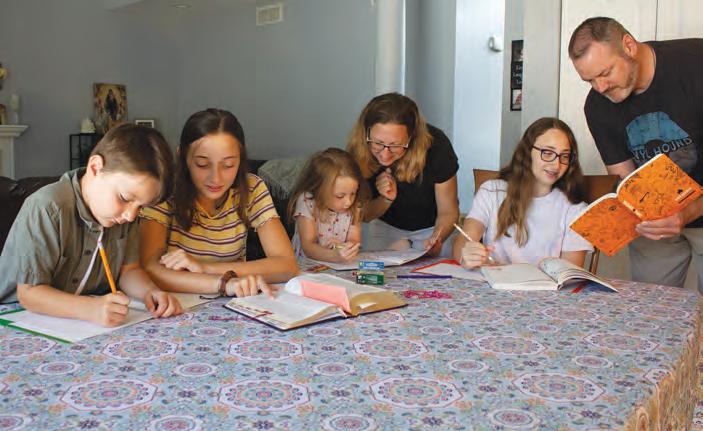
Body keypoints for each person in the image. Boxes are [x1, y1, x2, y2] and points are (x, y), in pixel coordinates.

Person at [0, 124, 183, 327]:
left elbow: (129, 270)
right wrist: (90, 309)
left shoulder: (123, 216)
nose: (131, 215)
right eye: (124, 198)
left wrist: (150, 292)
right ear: (95, 168)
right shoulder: (48, 207)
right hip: (17, 318)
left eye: (141, 207)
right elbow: (29, 294)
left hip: (80, 323)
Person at [568, 17, 703, 291]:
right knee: (650, 304)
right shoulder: (597, 105)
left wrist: (688, 212)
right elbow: (625, 181)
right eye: (589, 80)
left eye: (605, 73)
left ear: (629, 45)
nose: (600, 88)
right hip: (655, 222)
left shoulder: (695, 64)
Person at [140, 108, 298, 298]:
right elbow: (149, 268)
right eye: (202, 164)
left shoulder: (251, 188)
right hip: (177, 301)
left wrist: (204, 268)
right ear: (182, 156)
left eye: (228, 165)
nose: (216, 178)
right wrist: (223, 283)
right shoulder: (164, 190)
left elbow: (287, 265)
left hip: (233, 300)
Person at [453, 117, 592, 268]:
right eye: (547, 153)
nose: (556, 165)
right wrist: (465, 254)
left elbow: (569, 272)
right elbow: (463, 241)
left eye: (564, 156)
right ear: (527, 152)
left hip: (546, 284)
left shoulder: (576, 210)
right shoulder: (492, 192)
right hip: (491, 281)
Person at [347, 92, 459, 257]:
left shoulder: (436, 146)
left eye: (396, 145)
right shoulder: (359, 150)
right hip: (384, 227)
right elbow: (365, 215)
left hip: (433, 227)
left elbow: (448, 211)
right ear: (366, 133)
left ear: (412, 137)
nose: (385, 154)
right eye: (378, 143)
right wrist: (385, 199)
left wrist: (436, 239)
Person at [288, 148, 369, 263]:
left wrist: (346, 247)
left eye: (353, 193)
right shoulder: (307, 201)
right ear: (320, 190)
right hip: (305, 266)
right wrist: (334, 255)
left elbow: (354, 240)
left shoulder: (354, 205)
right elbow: (308, 247)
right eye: (340, 196)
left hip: (338, 266)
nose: (348, 202)